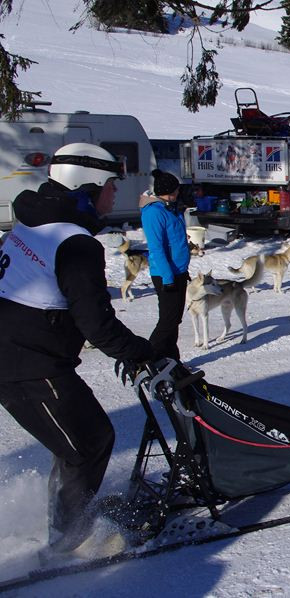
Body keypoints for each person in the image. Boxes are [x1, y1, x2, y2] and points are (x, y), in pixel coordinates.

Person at [0, 143, 154, 560]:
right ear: (87, 185)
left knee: (78, 442)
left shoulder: (35, 214)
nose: (114, 196)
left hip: (23, 352)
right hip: (25, 362)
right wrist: (143, 353)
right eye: (110, 186)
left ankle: (61, 522)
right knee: (87, 443)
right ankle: (66, 540)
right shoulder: (75, 241)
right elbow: (96, 324)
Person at [141, 169, 190, 360]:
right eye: (176, 190)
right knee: (168, 321)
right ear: (169, 191)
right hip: (165, 274)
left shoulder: (170, 207)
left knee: (175, 319)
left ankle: (171, 360)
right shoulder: (153, 212)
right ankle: (148, 357)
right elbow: (157, 248)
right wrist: (168, 278)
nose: (179, 193)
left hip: (179, 271)